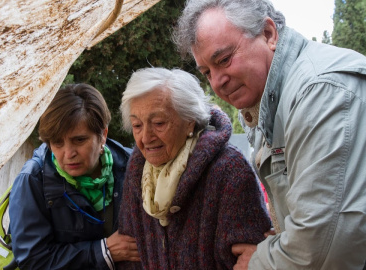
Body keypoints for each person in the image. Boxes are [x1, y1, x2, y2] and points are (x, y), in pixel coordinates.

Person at [173, 0, 366, 269]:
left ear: (268, 34)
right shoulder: (269, 102)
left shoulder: (320, 92)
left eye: (224, 60)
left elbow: (324, 246)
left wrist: (259, 261)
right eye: (207, 72)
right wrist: (284, 240)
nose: (217, 82)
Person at [116, 67, 271, 270]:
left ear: (189, 122)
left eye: (159, 123)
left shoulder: (229, 170)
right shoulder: (138, 170)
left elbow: (250, 259)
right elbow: (131, 255)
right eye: (137, 125)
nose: (145, 138)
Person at [9, 83, 140, 269]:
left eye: (79, 140)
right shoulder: (32, 180)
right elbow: (33, 261)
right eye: (57, 143)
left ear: (103, 135)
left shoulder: (134, 167)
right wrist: (103, 252)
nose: (68, 153)